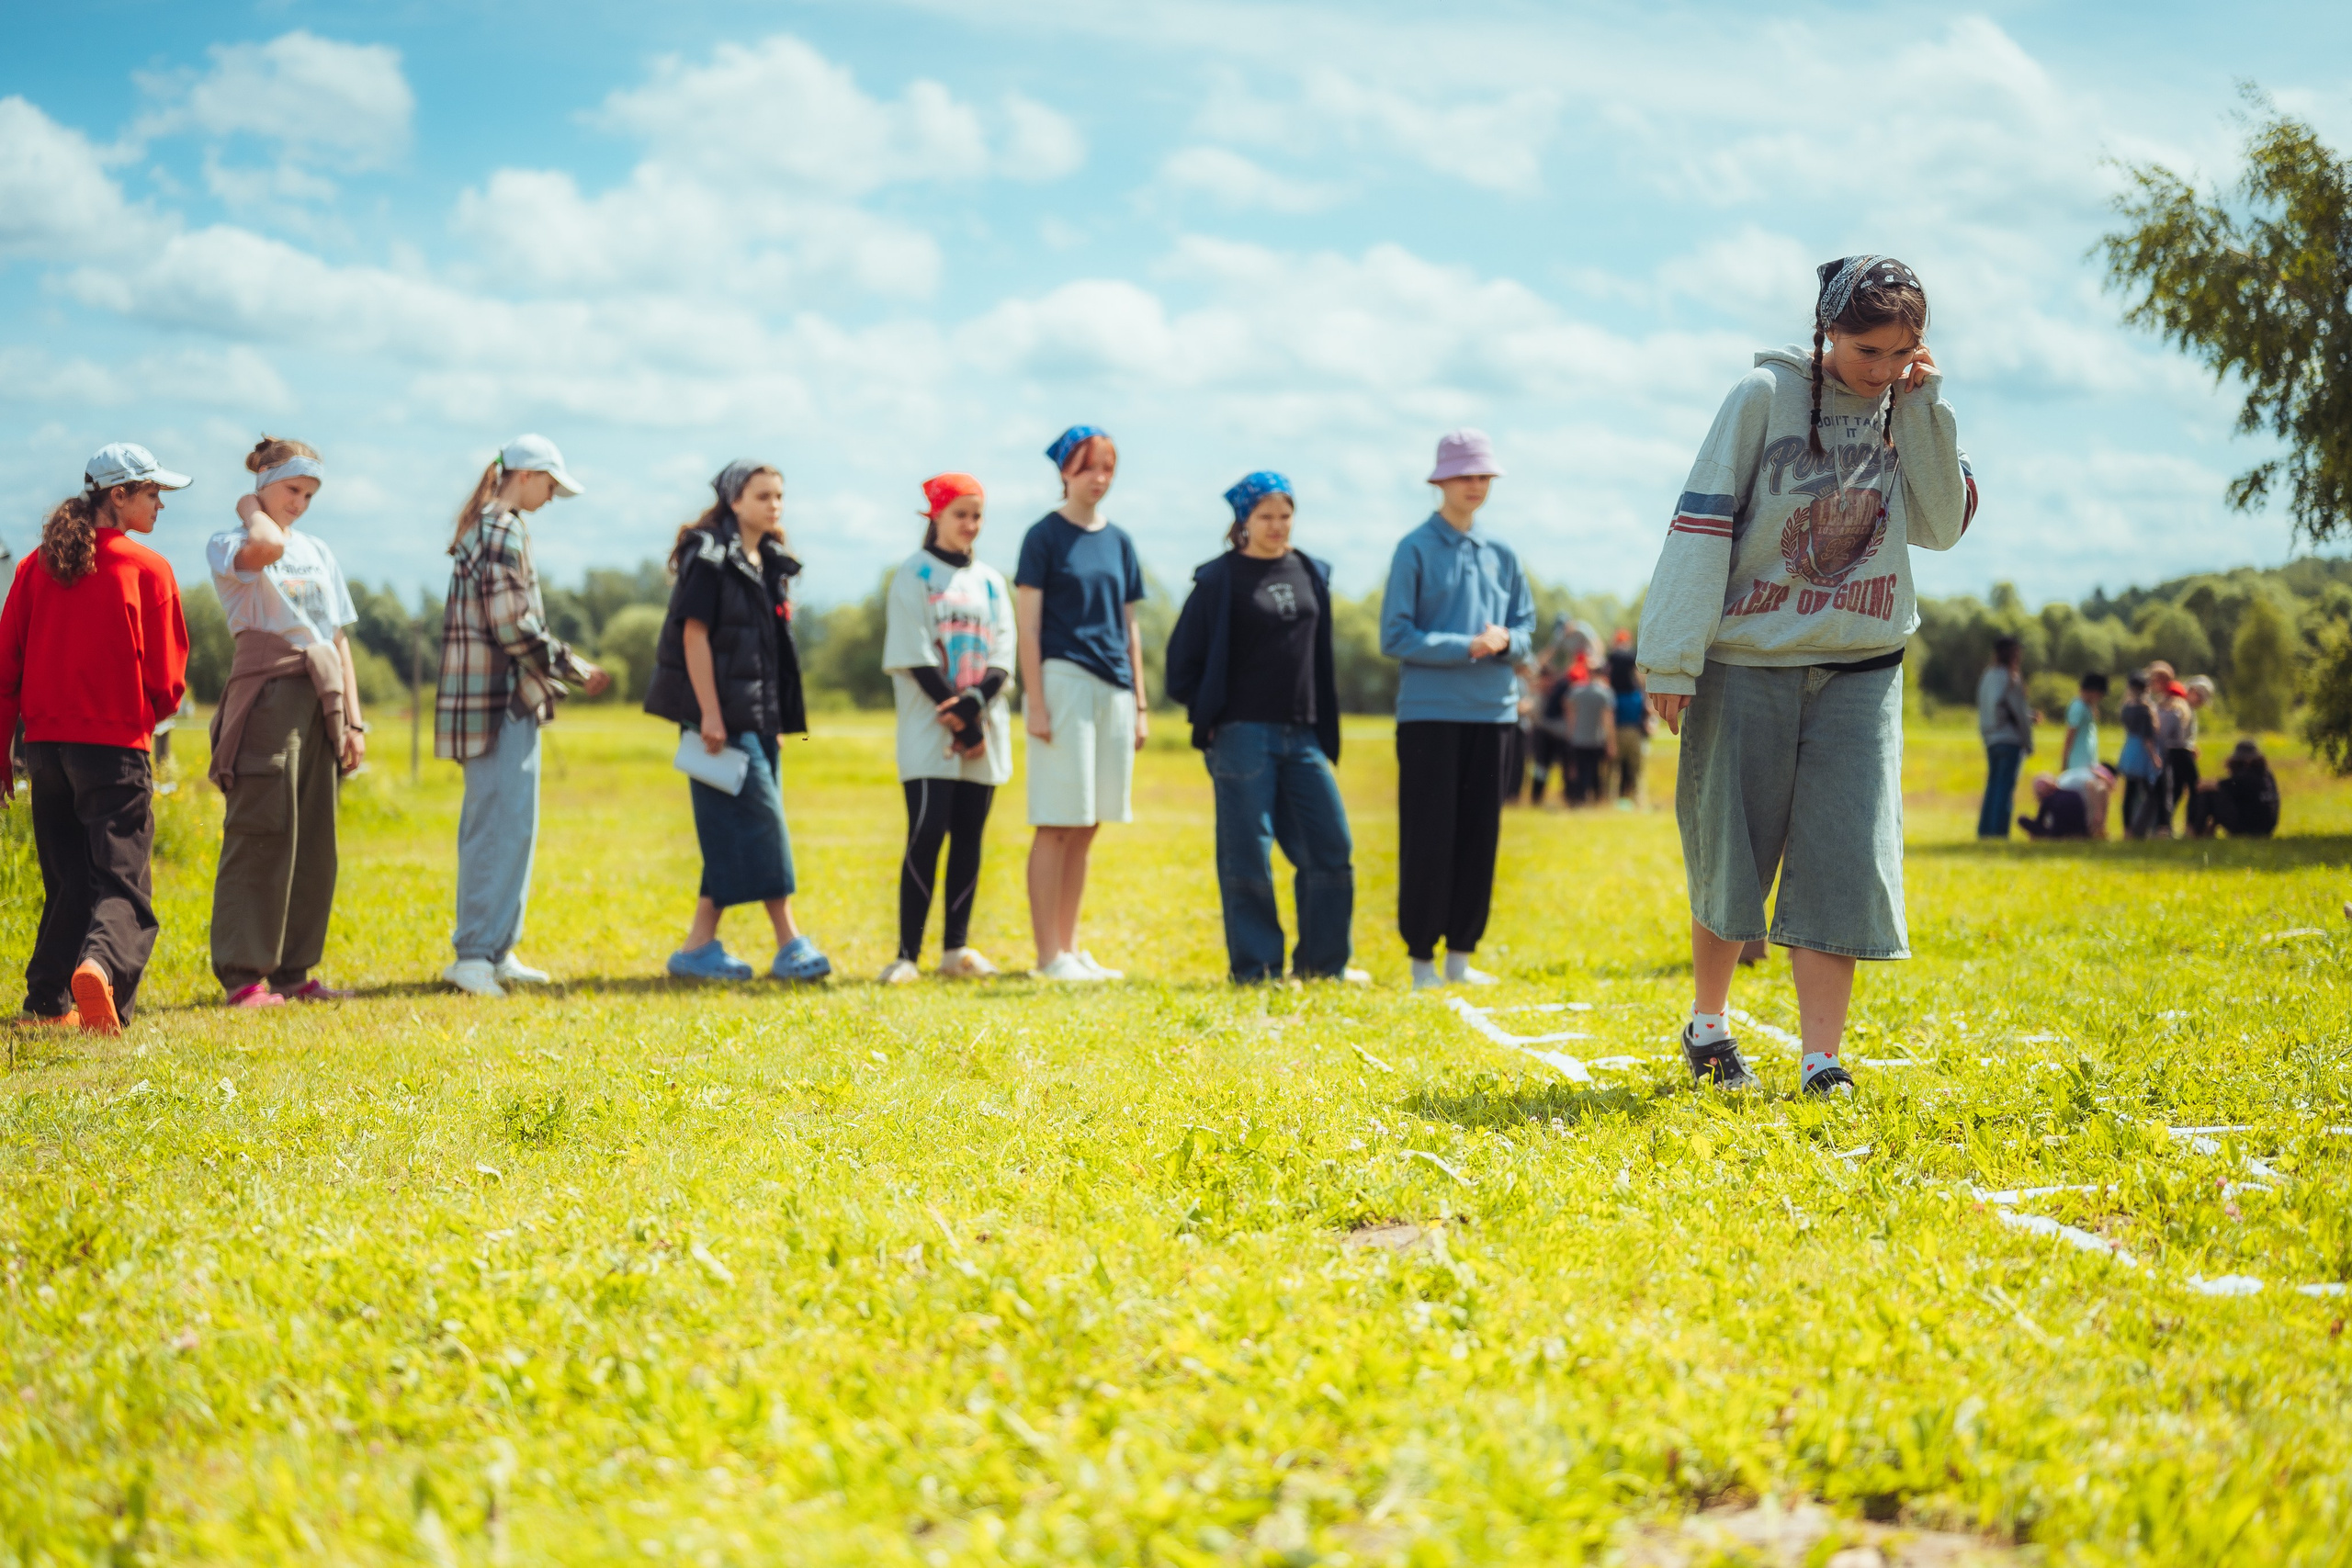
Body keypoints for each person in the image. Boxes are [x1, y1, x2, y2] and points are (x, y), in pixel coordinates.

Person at [1638, 254, 1977, 1097]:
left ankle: (1821, 1060)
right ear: (1826, 331)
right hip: (1748, 660)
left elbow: (1941, 526)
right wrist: (1672, 656)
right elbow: (1703, 520)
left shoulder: (1912, 401)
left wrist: (1924, 406)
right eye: (1869, 352)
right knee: (1734, 850)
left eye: (1903, 354)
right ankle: (1709, 1027)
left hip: (1865, 664)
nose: (1883, 370)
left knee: (1839, 859)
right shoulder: (1761, 398)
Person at [0, 444, 192, 1033]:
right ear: (119, 495)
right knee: (122, 881)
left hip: (45, 749)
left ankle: (46, 1002)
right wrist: (147, 713)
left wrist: (4, 758)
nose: (160, 504)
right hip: (113, 746)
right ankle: (101, 969)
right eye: (153, 492)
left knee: (68, 881)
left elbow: (6, 669)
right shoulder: (148, 570)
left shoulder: (35, 566)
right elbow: (168, 680)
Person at [1164, 470, 1361, 984]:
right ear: (1243, 521)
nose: (1277, 526)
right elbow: (1181, 665)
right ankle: (1258, 970)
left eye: (1285, 515)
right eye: (1265, 516)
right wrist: (1212, 713)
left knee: (1330, 849)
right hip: (1241, 736)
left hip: (1305, 735)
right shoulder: (1217, 580)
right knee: (1248, 856)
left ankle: (1323, 966)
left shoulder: (1313, 572)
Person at [435, 435, 612, 998]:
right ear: (528, 475)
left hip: (499, 702)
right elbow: (512, 627)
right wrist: (576, 668)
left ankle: (494, 950)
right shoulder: (502, 528)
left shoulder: (488, 526)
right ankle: (474, 957)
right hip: (497, 702)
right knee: (496, 828)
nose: (553, 497)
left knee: (510, 827)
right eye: (552, 486)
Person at [643, 461, 829, 984]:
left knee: (731, 833)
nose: (775, 505)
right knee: (764, 826)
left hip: (758, 723)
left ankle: (697, 948)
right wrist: (708, 714)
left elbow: (768, 655)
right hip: (718, 723)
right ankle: (789, 942)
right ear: (735, 501)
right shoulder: (710, 556)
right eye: (763, 495)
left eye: (780, 496)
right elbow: (693, 635)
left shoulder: (769, 561)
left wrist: (775, 725)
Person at [204, 436, 368, 1009]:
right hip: (267, 698)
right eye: (293, 489)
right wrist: (250, 509)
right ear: (263, 481)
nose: (300, 503)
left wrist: (353, 719)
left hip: (320, 697)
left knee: (314, 841)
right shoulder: (230, 543)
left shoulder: (320, 551)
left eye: (310, 494)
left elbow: (337, 638)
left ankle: (295, 972)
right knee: (262, 833)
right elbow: (268, 548)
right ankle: (244, 975)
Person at [1380, 428, 1536, 989]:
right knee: (1428, 836)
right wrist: (1465, 645)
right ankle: (1422, 961)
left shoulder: (1503, 552)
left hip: (1494, 715)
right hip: (1429, 716)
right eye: (1466, 475)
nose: (1476, 485)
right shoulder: (1413, 549)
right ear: (1440, 480)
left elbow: (1526, 628)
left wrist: (1505, 642)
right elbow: (1394, 635)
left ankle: (1461, 959)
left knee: (1480, 837)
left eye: (1483, 476)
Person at [1016, 426, 1148, 982]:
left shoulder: (1119, 541)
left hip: (1114, 688)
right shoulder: (1042, 537)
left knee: (1090, 821)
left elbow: (1130, 625)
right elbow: (1028, 626)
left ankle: (1070, 949)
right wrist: (1036, 701)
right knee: (1057, 820)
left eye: (1109, 468)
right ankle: (1048, 957)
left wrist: (1140, 702)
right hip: (1062, 682)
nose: (1100, 478)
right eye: (1090, 466)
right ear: (1065, 471)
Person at [877, 473, 1015, 983]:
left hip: (983, 728)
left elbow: (1004, 651)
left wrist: (976, 710)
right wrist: (958, 714)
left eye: (977, 515)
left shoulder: (992, 581)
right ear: (935, 516)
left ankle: (955, 949)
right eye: (960, 514)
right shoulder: (914, 574)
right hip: (929, 724)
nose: (970, 525)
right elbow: (913, 653)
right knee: (928, 830)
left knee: (970, 837)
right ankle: (907, 955)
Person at [1975, 637, 2032, 839]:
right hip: (2009, 740)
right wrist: (2029, 741)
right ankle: (1999, 833)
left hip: (1991, 739)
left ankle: (1985, 831)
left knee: (1993, 785)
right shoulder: (2011, 678)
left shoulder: (1987, 676)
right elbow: (2018, 712)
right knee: (2004, 788)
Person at [2188, 739, 2278, 839]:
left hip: (2250, 828)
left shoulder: (2246, 777)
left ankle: (2196, 832)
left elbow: (2208, 786)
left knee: (2207, 795)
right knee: (2225, 797)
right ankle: (2205, 831)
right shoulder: (2267, 775)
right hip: (2267, 827)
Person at [1608, 631, 1650, 807]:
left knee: (1613, 770)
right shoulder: (1636, 696)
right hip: (1634, 731)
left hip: (1616, 730)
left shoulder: (1610, 695)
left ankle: (1610, 802)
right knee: (1637, 771)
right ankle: (1639, 802)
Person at [2116, 670, 2160, 838]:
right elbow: (2148, 737)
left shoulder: (2126, 707)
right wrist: (2154, 757)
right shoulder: (2144, 709)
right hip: (2142, 752)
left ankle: (2128, 829)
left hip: (2129, 749)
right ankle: (2147, 827)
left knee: (2130, 792)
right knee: (2150, 792)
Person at [1566, 668, 1616, 806]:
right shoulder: (1606, 693)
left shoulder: (1576, 691)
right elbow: (1607, 721)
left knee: (1581, 770)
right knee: (1595, 771)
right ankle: (1596, 800)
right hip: (1596, 739)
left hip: (1579, 738)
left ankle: (1580, 799)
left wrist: (1571, 735)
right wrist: (1611, 742)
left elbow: (1571, 716)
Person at [1528, 663, 1573, 806]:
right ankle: (1536, 797)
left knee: (1566, 768)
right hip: (1542, 734)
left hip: (1560, 736)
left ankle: (1568, 798)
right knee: (1541, 768)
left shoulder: (1560, 692)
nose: (1548, 682)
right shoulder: (1536, 694)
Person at [2018, 773, 2089, 839]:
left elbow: (2039, 822)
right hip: (2082, 832)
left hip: (2058, 835)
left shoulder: (2047, 799)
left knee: (2022, 819)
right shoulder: (2074, 794)